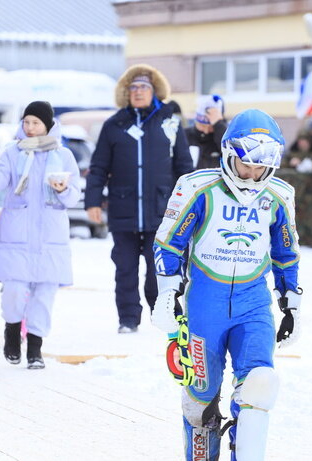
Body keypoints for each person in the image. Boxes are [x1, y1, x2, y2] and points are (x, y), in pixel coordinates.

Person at [153, 109, 301, 461]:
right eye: (245, 165)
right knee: (200, 398)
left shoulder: (279, 195)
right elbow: (169, 243)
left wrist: (291, 304)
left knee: (259, 387)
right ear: (228, 154)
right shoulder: (197, 186)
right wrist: (166, 293)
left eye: (259, 168)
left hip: (253, 304)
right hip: (206, 304)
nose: (251, 175)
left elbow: (286, 251)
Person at [84, 64, 194, 333]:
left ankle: (162, 314)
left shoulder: (170, 122)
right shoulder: (114, 125)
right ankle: (128, 319)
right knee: (125, 269)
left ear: (154, 90)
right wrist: (93, 200)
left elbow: (184, 166)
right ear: (126, 92)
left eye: (143, 87)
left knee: (159, 268)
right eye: (133, 88)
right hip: (123, 209)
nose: (138, 92)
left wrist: (190, 203)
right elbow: (99, 167)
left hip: (161, 210)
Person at [0, 101, 81, 369]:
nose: (30, 127)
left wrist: (61, 189)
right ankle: (12, 331)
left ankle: (35, 348)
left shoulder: (63, 155)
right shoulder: (12, 152)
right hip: (17, 234)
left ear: (48, 125)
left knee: (44, 295)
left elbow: (73, 196)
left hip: (50, 237)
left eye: (36, 122)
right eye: (26, 122)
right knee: (13, 289)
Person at [185, 94, 227, 169]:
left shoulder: (221, 137)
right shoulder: (185, 135)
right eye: (202, 126)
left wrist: (219, 125)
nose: (206, 131)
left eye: (211, 127)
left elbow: (229, 151)